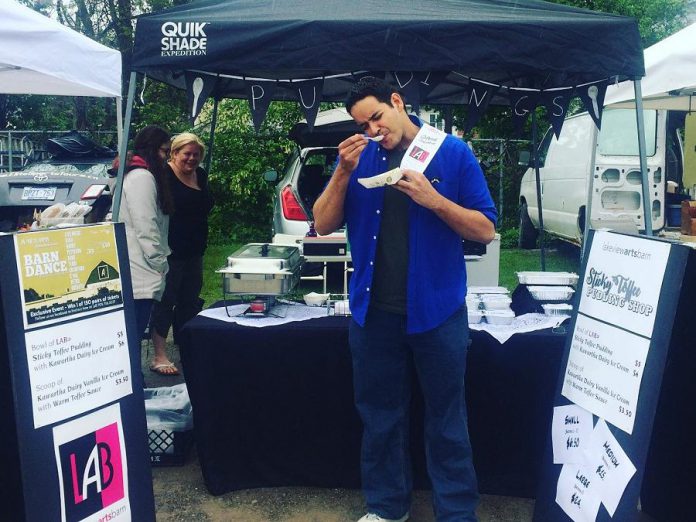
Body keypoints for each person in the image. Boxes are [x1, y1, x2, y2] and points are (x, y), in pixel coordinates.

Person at [313, 77, 497, 522]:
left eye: (377, 117)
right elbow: (321, 223)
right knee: (380, 420)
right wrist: (341, 170)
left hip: (438, 313)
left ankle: (455, 513)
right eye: (363, 124)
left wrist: (435, 200)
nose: (374, 129)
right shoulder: (358, 160)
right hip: (374, 314)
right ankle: (386, 508)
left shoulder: (451, 152)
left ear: (398, 102)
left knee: (447, 422)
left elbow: (486, 230)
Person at [149, 132, 213, 375]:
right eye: (187, 154)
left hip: (195, 250)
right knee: (166, 301)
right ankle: (159, 354)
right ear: (174, 154)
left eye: (196, 154)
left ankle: (186, 346)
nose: (191, 159)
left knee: (190, 300)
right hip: (170, 251)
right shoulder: (163, 176)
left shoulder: (201, 175)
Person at [119, 125, 174, 370]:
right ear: (152, 149)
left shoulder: (135, 173)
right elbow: (146, 226)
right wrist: (160, 262)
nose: (167, 157)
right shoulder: (141, 177)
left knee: (132, 333)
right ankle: (135, 385)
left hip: (138, 263)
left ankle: (135, 382)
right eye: (164, 151)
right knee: (133, 332)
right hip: (140, 265)